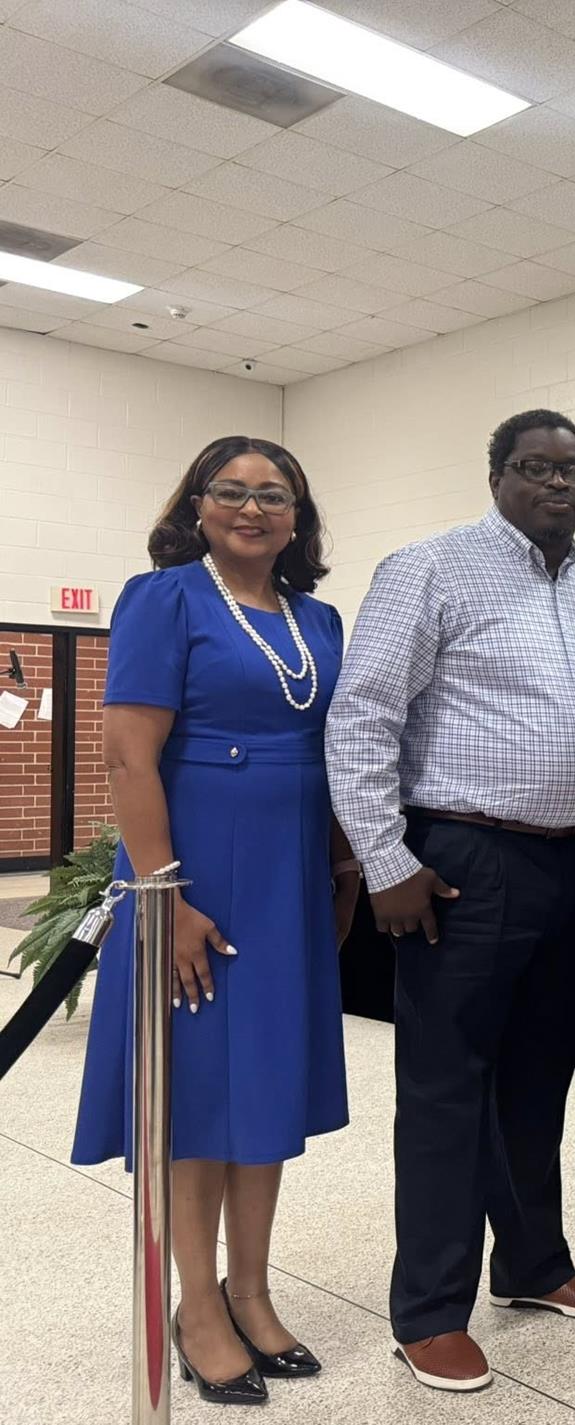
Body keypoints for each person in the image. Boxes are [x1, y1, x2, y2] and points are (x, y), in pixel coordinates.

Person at [326, 410, 575, 1393]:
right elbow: (363, 715)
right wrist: (385, 859)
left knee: (540, 1077)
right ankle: (428, 1311)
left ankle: (533, 1264)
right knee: (448, 1090)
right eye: (536, 468)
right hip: (460, 860)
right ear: (496, 475)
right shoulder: (431, 567)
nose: (557, 484)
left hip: (566, 863)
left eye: (572, 470)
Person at [72, 436, 351, 1405]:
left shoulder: (318, 617)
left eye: (273, 493)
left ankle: (253, 1289)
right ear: (197, 505)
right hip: (194, 872)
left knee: (263, 1092)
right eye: (229, 491)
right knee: (199, 1097)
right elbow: (125, 759)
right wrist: (166, 896)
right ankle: (197, 1306)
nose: (251, 507)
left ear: (297, 516)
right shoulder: (166, 598)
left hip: (286, 876)